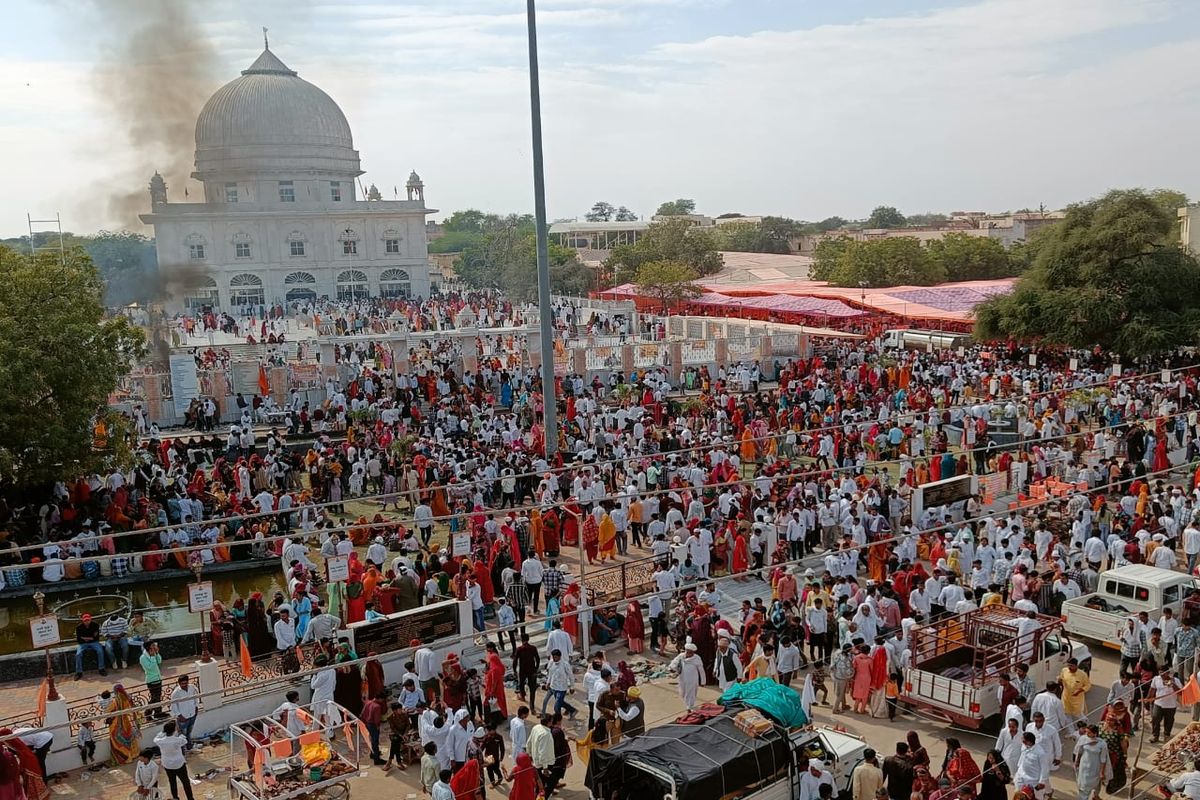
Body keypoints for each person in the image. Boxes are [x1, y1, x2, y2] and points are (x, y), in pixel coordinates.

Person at [154, 720, 194, 800]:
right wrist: (180, 733)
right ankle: (190, 798)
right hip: (179, 764)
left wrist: (163, 731)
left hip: (167, 765)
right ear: (174, 730)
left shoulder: (160, 741)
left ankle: (175, 798)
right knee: (185, 782)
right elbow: (184, 740)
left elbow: (156, 738)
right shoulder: (177, 740)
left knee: (172, 782)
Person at [109, 685, 141, 765]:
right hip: (126, 722)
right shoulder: (127, 698)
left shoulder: (115, 701)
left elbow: (108, 712)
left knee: (117, 739)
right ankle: (133, 754)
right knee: (129, 737)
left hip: (116, 723)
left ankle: (127, 757)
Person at [1073, 724, 1108, 800]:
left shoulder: (1102, 744)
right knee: (1083, 785)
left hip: (1095, 766)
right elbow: (1079, 751)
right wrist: (1077, 762)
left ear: (1095, 733)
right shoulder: (1083, 739)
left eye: (1089, 732)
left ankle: (1095, 795)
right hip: (1084, 766)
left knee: (1096, 783)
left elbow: (1103, 759)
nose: (1087, 734)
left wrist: (1102, 772)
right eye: (1086, 732)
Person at [1149, 666, 1183, 743]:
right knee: (1155, 719)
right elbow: (1152, 689)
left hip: (1171, 705)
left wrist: (1172, 684)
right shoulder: (1156, 679)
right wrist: (1148, 699)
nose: (1162, 675)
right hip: (1158, 704)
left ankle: (1167, 735)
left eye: (1163, 673)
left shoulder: (1175, 680)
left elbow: (1180, 692)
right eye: (1160, 673)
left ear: (1168, 673)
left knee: (1169, 721)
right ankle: (1155, 735)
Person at [1013, 732, 1050, 800]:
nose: (1022, 742)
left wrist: (1041, 782)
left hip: (1033, 780)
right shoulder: (1024, 746)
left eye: (1024, 741)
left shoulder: (1040, 752)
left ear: (1029, 741)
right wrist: (1017, 773)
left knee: (1036, 797)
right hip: (1021, 776)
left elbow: (1044, 768)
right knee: (1019, 795)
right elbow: (1022, 758)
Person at [672, 642, 706, 710]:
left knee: (690, 694)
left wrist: (703, 682)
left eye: (690, 652)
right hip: (682, 678)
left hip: (692, 680)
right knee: (683, 693)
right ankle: (688, 705)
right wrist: (671, 668)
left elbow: (701, 671)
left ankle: (690, 707)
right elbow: (674, 662)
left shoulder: (697, 658)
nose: (688, 653)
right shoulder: (681, 656)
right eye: (687, 651)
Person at [170, 675, 200, 750]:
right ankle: (183, 750)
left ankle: (189, 746)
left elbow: (196, 697)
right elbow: (173, 705)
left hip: (192, 714)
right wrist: (179, 716)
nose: (184, 685)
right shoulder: (176, 693)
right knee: (182, 735)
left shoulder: (192, 687)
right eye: (182, 684)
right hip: (183, 717)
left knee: (189, 733)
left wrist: (196, 707)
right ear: (179, 684)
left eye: (185, 683)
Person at [74, 613, 106, 679]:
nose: (87, 622)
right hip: (83, 644)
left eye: (88, 620)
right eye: (85, 620)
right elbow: (79, 639)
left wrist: (84, 638)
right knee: (78, 654)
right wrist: (89, 638)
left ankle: (101, 668)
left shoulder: (95, 625)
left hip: (94, 642)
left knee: (100, 651)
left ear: (90, 619)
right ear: (83, 620)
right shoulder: (78, 627)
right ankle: (78, 672)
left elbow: (96, 638)